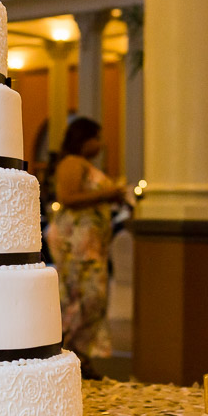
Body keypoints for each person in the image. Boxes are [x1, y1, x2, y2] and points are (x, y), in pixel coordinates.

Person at [44, 117, 126, 379]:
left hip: (90, 246)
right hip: (77, 245)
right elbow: (67, 197)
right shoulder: (71, 163)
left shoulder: (85, 164)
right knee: (84, 299)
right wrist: (109, 193)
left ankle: (79, 355)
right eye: (97, 138)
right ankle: (69, 352)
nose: (100, 145)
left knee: (93, 299)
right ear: (85, 139)